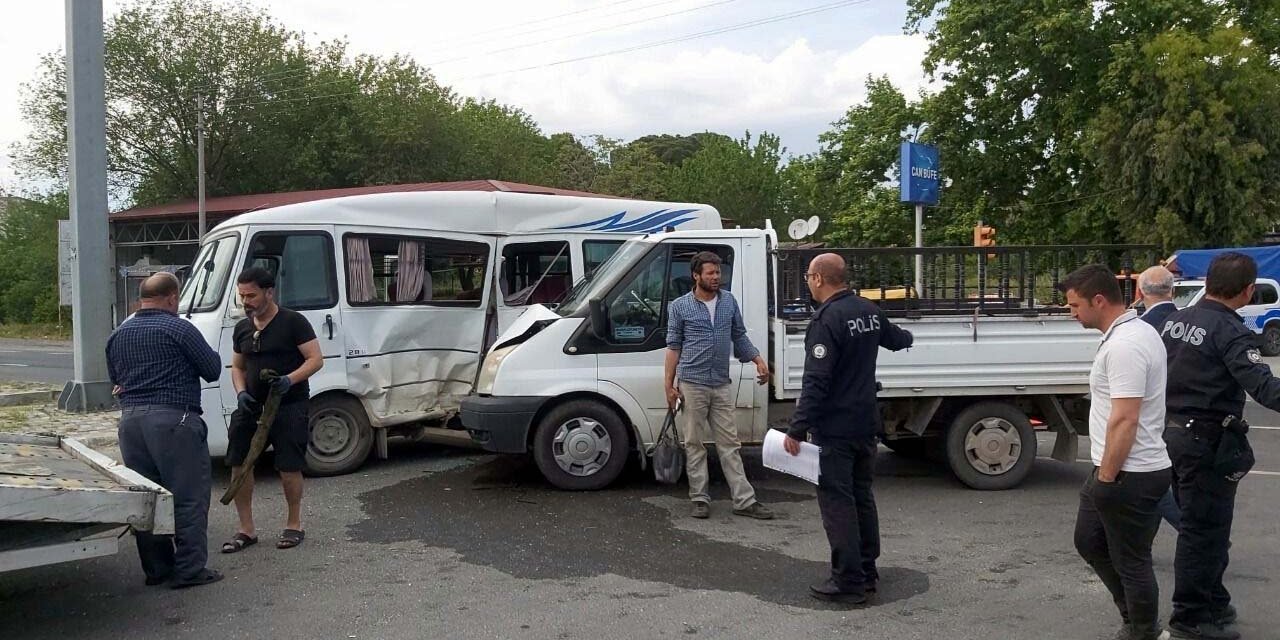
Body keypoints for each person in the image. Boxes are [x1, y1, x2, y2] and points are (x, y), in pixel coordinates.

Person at [1161, 252, 1280, 640]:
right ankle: (1191, 616)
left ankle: (1212, 599)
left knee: (1202, 527)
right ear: (1247, 292)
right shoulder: (1231, 332)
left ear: (1208, 282)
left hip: (1173, 434)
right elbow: (1264, 387)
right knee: (1204, 530)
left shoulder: (1174, 320)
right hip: (1205, 440)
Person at [782, 253, 913, 604]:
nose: (808, 280)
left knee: (837, 503)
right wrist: (909, 336)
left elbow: (816, 380)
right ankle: (868, 571)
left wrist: (796, 429)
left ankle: (848, 582)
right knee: (861, 497)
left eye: (809, 275)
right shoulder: (867, 310)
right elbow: (898, 339)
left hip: (836, 429)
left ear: (820, 279)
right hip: (865, 423)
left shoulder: (826, 320)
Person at [1061, 264, 1172, 640]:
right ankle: (1134, 620)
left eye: (1075, 305)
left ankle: (1143, 631)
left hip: (1130, 472)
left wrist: (1107, 477)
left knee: (1132, 561)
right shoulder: (1131, 332)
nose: (1071, 313)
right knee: (1089, 540)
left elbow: (1125, 419)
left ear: (1098, 300)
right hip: (1116, 468)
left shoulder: (1126, 344)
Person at [106, 272, 223, 588]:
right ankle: (190, 570)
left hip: (131, 424)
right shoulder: (180, 328)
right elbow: (212, 370)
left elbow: (115, 379)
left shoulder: (118, 334)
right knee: (188, 497)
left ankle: (157, 569)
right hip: (174, 421)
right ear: (173, 297)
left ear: (140, 299)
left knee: (148, 498)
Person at [664, 251, 774, 521]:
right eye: (710, 273)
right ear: (696, 276)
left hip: (721, 383)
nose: (716, 277)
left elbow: (739, 336)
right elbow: (673, 346)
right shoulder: (680, 306)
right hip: (692, 384)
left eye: (718, 273)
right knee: (694, 444)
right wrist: (668, 385)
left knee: (730, 444)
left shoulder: (728, 302)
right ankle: (699, 499)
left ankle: (744, 500)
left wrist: (759, 360)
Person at [221, 267, 324, 553]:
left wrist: (289, 380)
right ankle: (246, 530)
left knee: (288, 466)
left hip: (289, 405)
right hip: (251, 407)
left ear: (269, 292)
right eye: (242, 295)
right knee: (239, 463)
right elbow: (238, 367)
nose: (246, 301)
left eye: (251, 295)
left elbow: (315, 359)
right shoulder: (243, 327)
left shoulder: (294, 322)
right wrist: (241, 393)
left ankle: (294, 525)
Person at [1138, 265, 1182, 532]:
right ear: (1173, 291)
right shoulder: (1187, 322)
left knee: (1153, 484)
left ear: (1141, 292)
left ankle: (1190, 530)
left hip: (1152, 413)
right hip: (1182, 413)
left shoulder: (1140, 329)